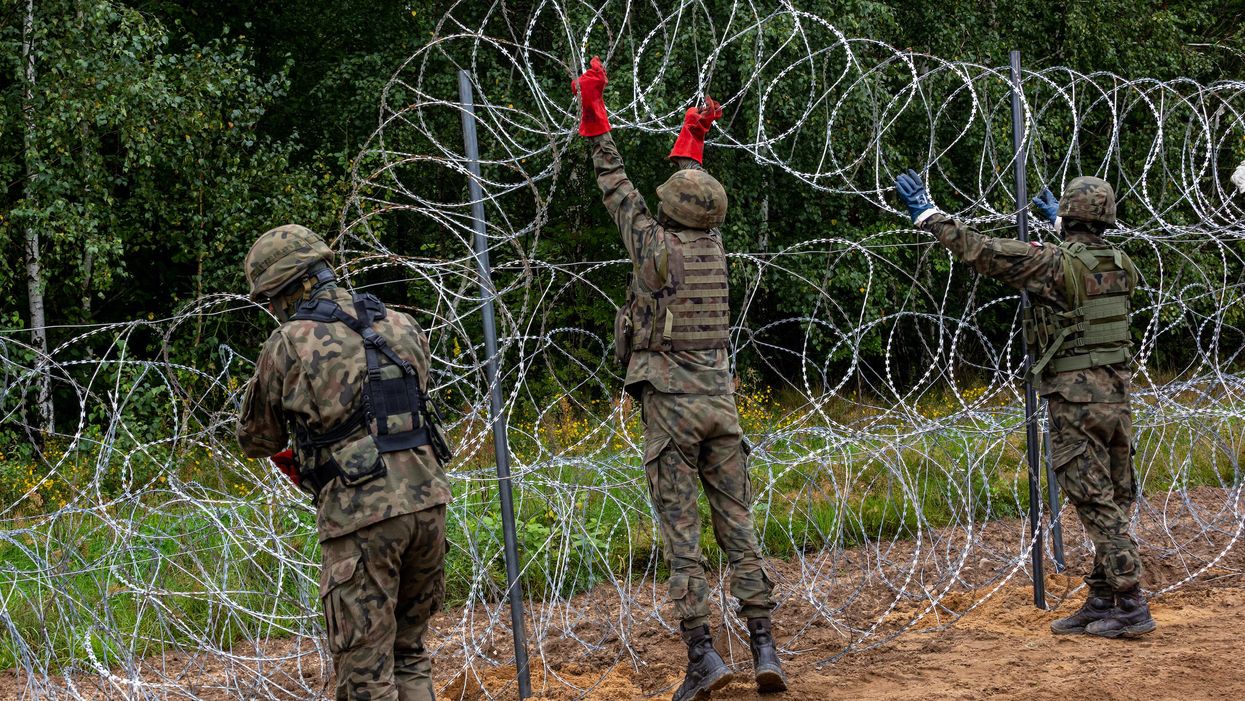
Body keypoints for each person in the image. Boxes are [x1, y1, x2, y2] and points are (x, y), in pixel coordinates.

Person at [573, 56, 787, 699]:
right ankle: (764, 644)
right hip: (721, 404)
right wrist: (694, 136)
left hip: (670, 405)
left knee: (682, 534)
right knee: (738, 525)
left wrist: (595, 113)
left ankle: (702, 655)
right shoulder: (714, 247)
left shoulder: (654, 249)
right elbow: (689, 192)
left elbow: (616, 186)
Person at [893, 170, 1156, 639]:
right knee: (1112, 497)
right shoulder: (1121, 262)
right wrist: (1059, 222)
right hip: (1117, 397)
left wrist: (930, 216)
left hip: (1075, 400)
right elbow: (1086, 265)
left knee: (1094, 501)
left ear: (1070, 214)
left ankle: (1132, 603)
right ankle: (1101, 599)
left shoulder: (1054, 264)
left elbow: (985, 252)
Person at [236, 224, 454, 700]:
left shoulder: (290, 342)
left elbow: (256, 437)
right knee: (408, 655)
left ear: (287, 287)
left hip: (362, 520)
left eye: (269, 298)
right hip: (428, 504)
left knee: (365, 679)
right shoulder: (399, 322)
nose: (271, 309)